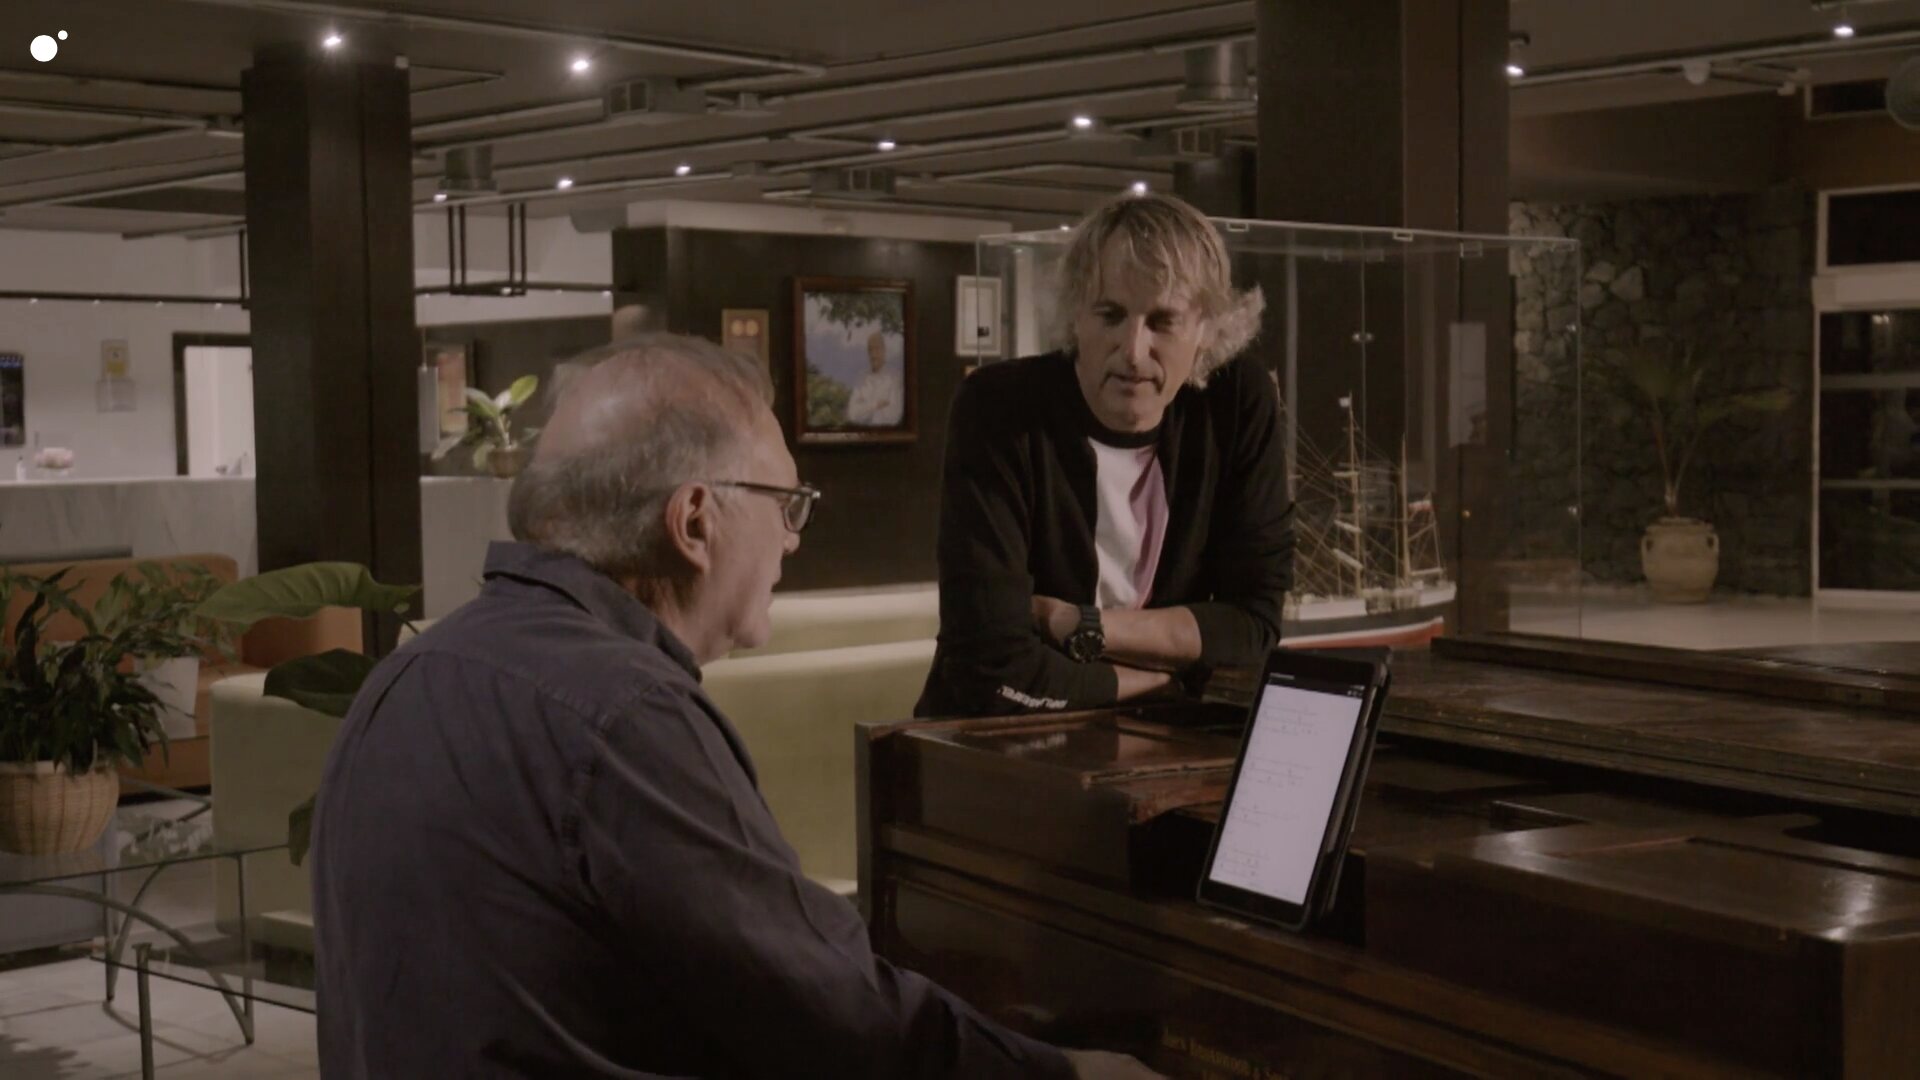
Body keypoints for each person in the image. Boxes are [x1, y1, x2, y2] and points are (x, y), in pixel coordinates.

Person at [310, 333, 1158, 1078]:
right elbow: (828, 1011)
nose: (793, 539)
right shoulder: (624, 715)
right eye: (786, 505)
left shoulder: (405, 675)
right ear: (694, 521)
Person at [917, 192, 1293, 717]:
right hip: (993, 743)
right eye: (1111, 315)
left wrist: (1076, 625)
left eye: (1162, 321)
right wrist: (1165, 679)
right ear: (1077, 315)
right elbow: (991, 665)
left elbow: (1253, 628)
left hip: (1160, 747)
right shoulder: (999, 408)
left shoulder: (1235, 403)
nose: (1133, 351)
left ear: (1206, 328)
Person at [845, 328, 905, 426]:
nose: (873, 354)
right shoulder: (861, 377)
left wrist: (863, 408)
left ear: (884, 350)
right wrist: (876, 404)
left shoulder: (895, 377)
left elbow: (894, 416)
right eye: (870, 349)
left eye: (877, 348)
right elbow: (852, 414)